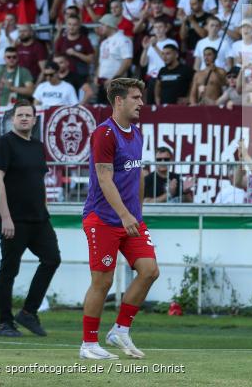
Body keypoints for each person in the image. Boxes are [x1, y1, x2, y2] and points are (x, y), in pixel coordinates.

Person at [80, 78, 158, 360]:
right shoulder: (104, 134)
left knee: (149, 270)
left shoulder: (137, 133)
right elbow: (104, 177)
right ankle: (88, 344)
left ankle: (120, 330)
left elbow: (137, 173)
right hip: (102, 219)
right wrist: (124, 214)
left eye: (142, 97)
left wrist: (137, 212)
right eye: (136, 97)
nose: (141, 103)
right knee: (103, 281)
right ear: (119, 101)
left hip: (130, 218)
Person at [0, 99, 60, 338]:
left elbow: (37, 181)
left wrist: (45, 207)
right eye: (19, 115)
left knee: (52, 259)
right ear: (12, 118)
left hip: (39, 218)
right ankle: (5, 323)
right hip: (14, 220)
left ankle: (28, 313)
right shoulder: (4, 144)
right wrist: (6, 217)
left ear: (34, 119)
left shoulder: (38, 146)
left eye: (27, 115)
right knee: (9, 270)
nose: (23, 119)